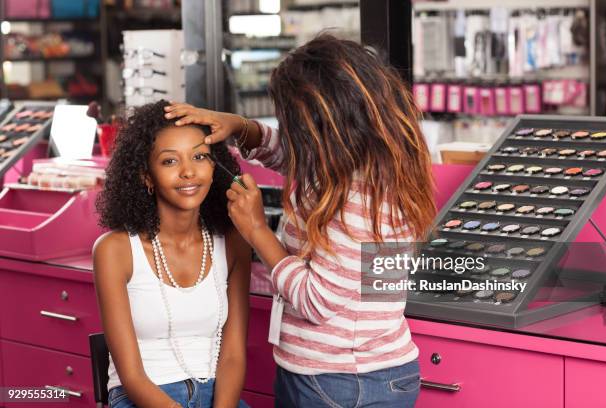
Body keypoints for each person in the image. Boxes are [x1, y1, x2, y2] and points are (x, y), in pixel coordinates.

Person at [164, 34, 436, 407]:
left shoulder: (357, 201)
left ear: (321, 130)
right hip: (363, 370)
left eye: (291, 124)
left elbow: (315, 301)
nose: (286, 133)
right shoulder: (364, 164)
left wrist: (256, 230)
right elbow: (285, 152)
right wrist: (242, 127)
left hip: (341, 380)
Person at [93, 100, 251, 408]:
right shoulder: (115, 251)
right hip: (143, 397)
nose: (189, 172)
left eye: (200, 156)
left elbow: (233, 356)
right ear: (146, 176)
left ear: (214, 166)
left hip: (218, 396)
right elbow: (132, 376)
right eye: (169, 161)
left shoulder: (233, 243)